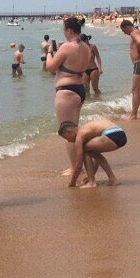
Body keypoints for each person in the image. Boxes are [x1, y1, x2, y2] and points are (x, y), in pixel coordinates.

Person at [46, 17, 91, 175]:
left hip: (66, 90)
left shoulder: (66, 47)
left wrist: (50, 53)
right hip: (79, 88)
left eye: (64, 30)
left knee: (69, 133)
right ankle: (81, 165)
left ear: (69, 30)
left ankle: (75, 168)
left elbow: (51, 68)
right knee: (76, 131)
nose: (63, 33)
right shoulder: (86, 47)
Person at [58, 119, 126, 188]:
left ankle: (92, 182)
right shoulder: (88, 129)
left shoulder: (80, 135)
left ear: (70, 131)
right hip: (121, 134)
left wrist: (72, 183)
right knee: (91, 151)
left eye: (66, 137)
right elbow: (97, 158)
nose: (68, 141)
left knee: (85, 149)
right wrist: (91, 174)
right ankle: (112, 179)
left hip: (112, 134)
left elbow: (79, 164)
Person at [119, 20, 140, 119]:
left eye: (123, 30)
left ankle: (133, 114)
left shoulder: (134, 33)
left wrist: (138, 52)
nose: (124, 33)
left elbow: (139, 41)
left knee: (135, 90)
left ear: (127, 27)